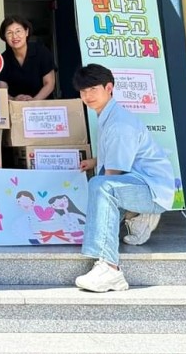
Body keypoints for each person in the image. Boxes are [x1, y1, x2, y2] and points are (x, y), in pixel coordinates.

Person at [72, 64, 175, 293]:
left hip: (151, 189)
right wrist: (94, 161)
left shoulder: (119, 123)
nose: (87, 96)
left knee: (102, 187)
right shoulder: (108, 115)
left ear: (109, 88)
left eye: (93, 89)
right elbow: (116, 157)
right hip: (138, 183)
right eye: (83, 91)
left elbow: (112, 175)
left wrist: (98, 214)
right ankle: (136, 215)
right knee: (101, 188)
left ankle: (110, 269)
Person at [0, 15, 56, 100]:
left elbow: (49, 83)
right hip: (15, 106)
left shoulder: (41, 52)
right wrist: (14, 99)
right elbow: (2, 89)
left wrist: (34, 101)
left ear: (26, 32)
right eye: (9, 33)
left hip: (43, 105)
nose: (14, 36)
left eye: (18, 31)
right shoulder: (2, 59)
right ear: (4, 37)